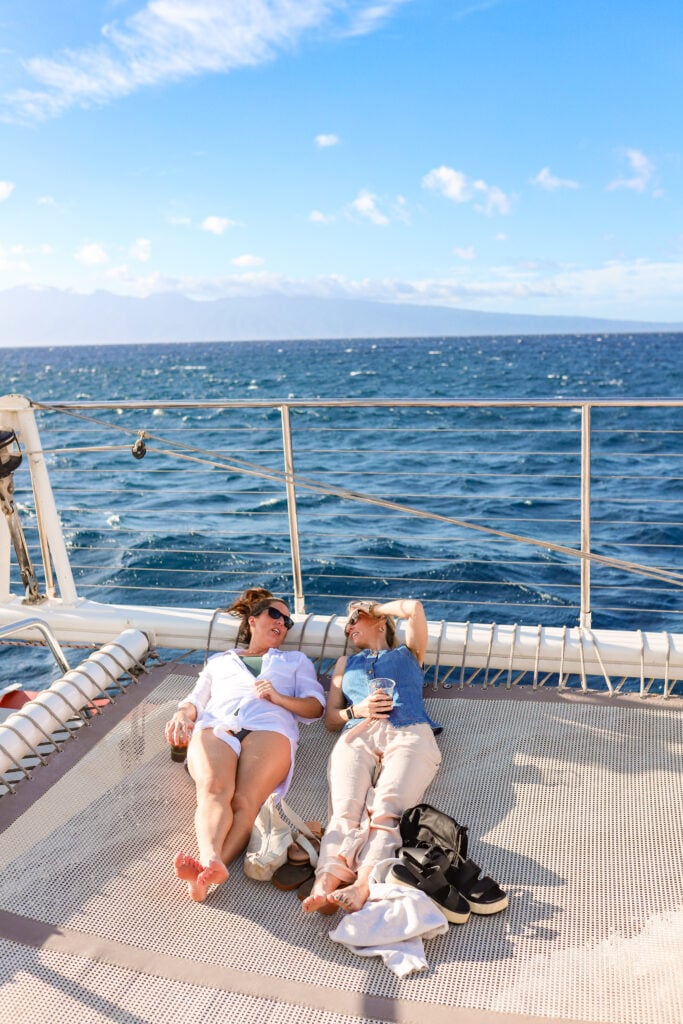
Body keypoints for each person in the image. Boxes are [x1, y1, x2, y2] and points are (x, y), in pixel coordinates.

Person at [166, 587, 325, 902]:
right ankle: (210, 859)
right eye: (275, 614)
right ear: (253, 621)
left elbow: (315, 708)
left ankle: (209, 871)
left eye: (288, 621)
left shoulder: (294, 660)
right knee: (212, 789)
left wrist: (278, 698)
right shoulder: (220, 662)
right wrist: (182, 716)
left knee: (245, 801)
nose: (283, 622)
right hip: (217, 725)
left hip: (270, 728)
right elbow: (195, 700)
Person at [302, 597, 441, 915]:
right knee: (344, 810)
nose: (348, 626)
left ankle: (362, 882)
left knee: (387, 809)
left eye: (354, 618)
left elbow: (414, 609)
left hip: (408, 732)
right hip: (357, 734)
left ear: (380, 622)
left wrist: (375, 608)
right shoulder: (344, 664)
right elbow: (331, 719)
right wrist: (357, 709)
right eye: (347, 623)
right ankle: (325, 879)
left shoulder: (408, 654)